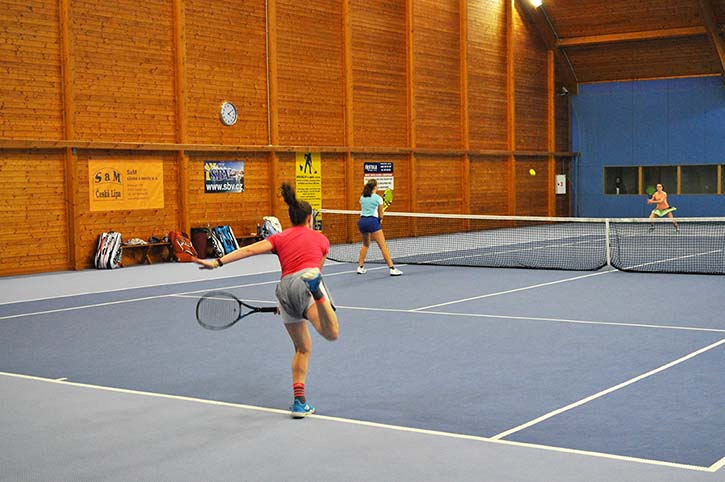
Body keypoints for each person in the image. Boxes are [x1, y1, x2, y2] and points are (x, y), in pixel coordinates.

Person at [194, 183, 339, 419]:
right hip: (306, 281)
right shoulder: (321, 240)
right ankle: (318, 292)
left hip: (284, 290)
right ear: (309, 218)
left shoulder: (279, 238)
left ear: (291, 218)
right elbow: (317, 270)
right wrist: (311, 290)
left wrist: (217, 262)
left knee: (302, 348)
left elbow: (249, 250)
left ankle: (299, 403)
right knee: (331, 332)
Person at [356, 179, 403, 276]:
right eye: (377, 185)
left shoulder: (362, 197)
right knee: (383, 246)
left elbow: (365, 208)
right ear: (374, 187)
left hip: (362, 222)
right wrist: (380, 219)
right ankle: (392, 268)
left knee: (365, 244)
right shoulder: (378, 198)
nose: (378, 187)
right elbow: (381, 213)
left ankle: (360, 267)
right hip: (372, 222)